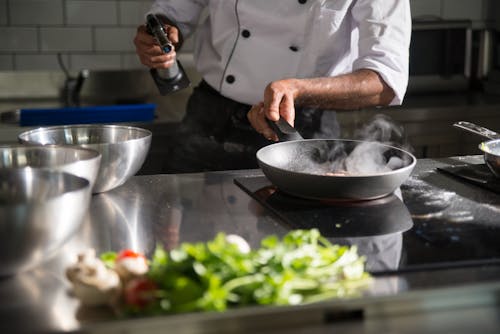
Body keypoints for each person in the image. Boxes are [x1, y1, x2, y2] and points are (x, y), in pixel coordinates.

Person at [134, 0, 411, 173]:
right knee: (188, 244)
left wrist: (299, 90)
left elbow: (385, 80)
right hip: (209, 116)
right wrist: (163, 34)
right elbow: (175, 10)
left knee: (293, 248)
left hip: (296, 128)